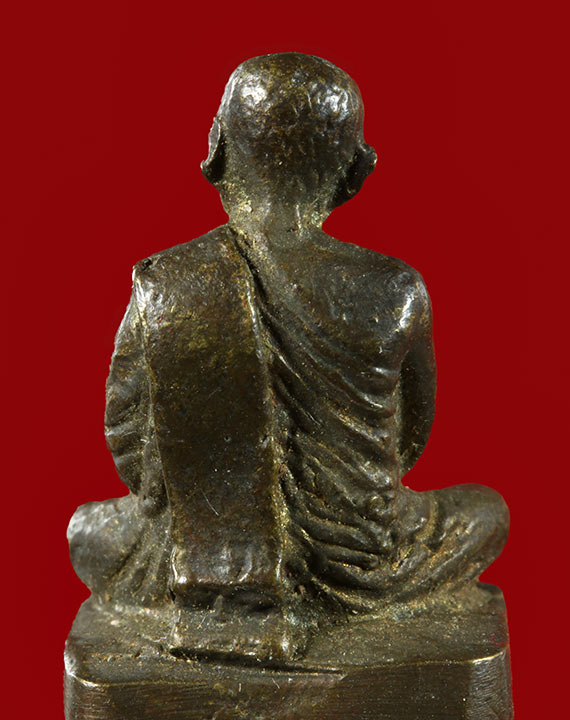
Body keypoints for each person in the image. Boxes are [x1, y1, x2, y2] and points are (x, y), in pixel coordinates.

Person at [68, 53, 509, 661]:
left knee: (84, 532)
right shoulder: (395, 289)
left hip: (184, 553)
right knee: (487, 512)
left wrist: (201, 497)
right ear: (356, 168)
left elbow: (128, 441)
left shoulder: (167, 283)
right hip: (362, 555)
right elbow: (410, 436)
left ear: (217, 147)